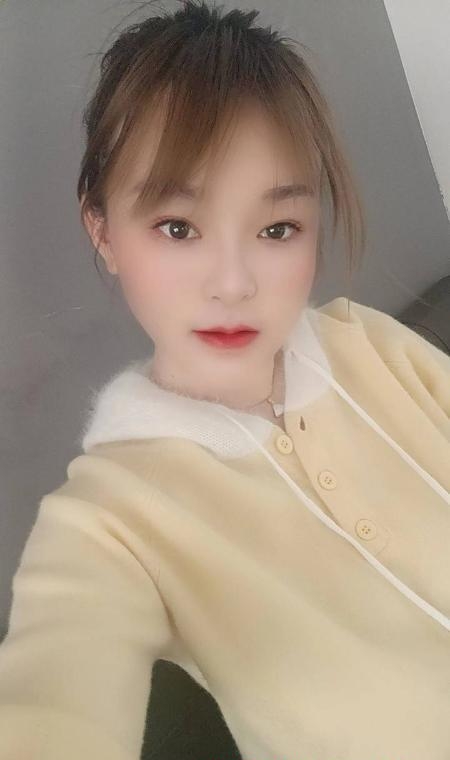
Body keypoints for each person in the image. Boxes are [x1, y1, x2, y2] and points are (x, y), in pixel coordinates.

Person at [0, 1, 449, 758]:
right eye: (178, 227)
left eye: (277, 229)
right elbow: (53, 705)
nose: (235, 284)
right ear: (103, 231)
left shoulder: (367, 343)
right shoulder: (109, 521)